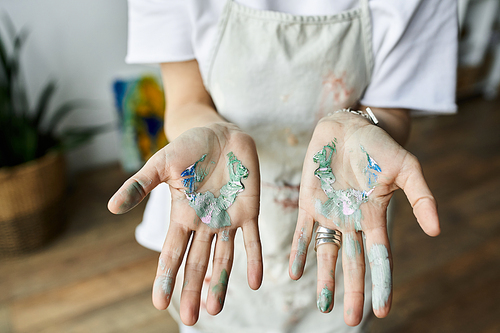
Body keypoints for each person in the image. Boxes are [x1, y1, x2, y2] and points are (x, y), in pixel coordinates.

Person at [108, 1, 457, 332]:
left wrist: (362, 126)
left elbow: (392, 112)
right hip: (217, 211)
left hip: (341, 213)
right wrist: (213, 131)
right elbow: (187, 100)